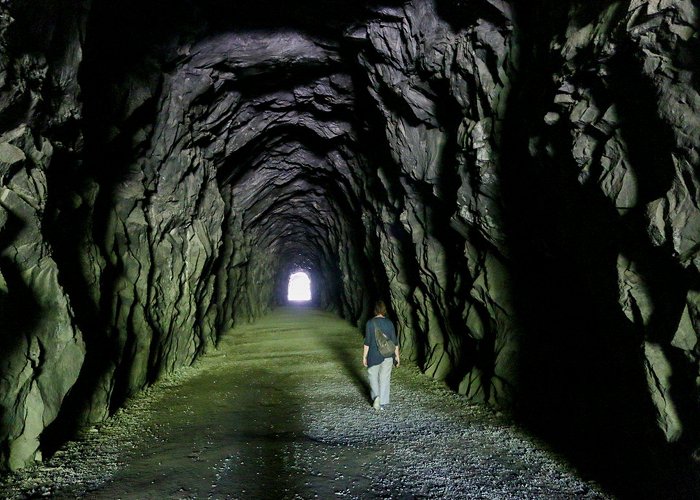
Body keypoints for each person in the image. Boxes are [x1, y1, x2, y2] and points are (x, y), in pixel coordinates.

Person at [362, 300, 400, 410]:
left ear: (375, 310)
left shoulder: (370, 323)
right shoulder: (389, 323)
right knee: (385, 378)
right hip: (387, 355)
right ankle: (383, 402)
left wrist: (364, 356)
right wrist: (397, 356)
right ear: (384, 310)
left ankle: (376, 397)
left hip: (373, 356)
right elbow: (394, 342)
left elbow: (367, 342)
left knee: (372, 376)